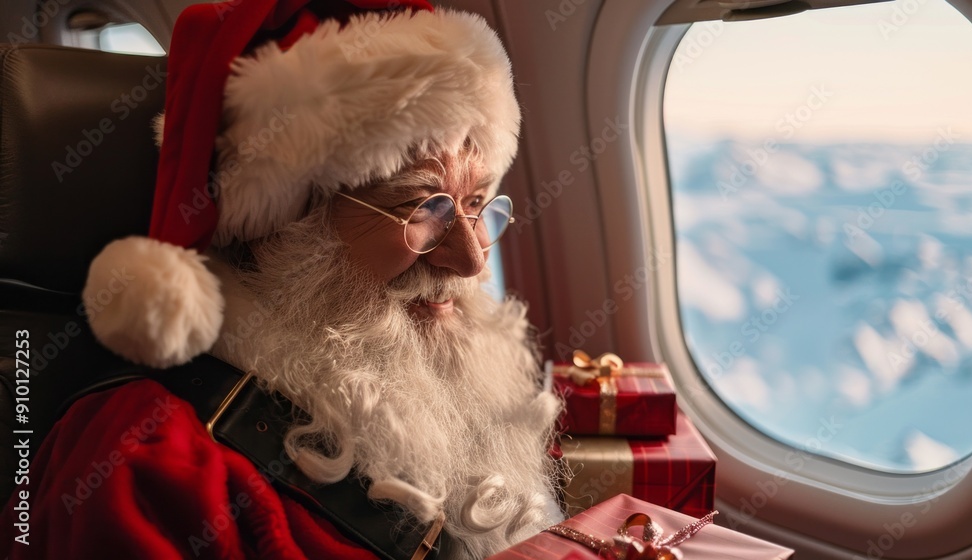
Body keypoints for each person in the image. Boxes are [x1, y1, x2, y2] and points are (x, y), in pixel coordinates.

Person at [0, 1, 565, 558]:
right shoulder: (145, 462)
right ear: (282, 228)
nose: (471, 263)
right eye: (422, 210)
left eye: (475, 205)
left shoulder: (453, 390)